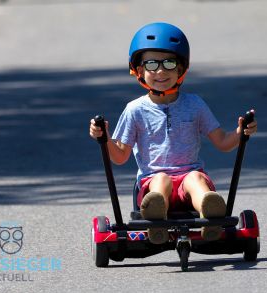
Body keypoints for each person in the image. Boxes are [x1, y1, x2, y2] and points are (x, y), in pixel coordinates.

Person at [90, 22, 257, 244]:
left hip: (189, 182)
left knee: (195, 178)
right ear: (139, 70)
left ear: (181, 69)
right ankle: (157, 216)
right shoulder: (135, 110)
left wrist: (240, 131)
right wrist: (104, 138)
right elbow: (120, 156)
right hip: (153, 181)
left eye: (169, 63)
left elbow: (223, 142)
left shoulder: (195, 104)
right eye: (151, 64)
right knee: (161, 180)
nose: (160, 71)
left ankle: (210, 213)